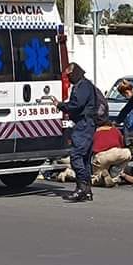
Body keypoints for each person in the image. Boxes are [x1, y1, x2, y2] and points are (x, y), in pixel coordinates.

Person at [48, 62, 97, 203]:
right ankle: (86, 190)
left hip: (84, 124)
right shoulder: (84, 85)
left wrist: (60, 105)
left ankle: (81, 188)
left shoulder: (83, 86)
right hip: (85, 124)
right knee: (84, 159)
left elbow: (76, 105)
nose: (68, 78)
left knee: (76, 156)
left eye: (69, 75)